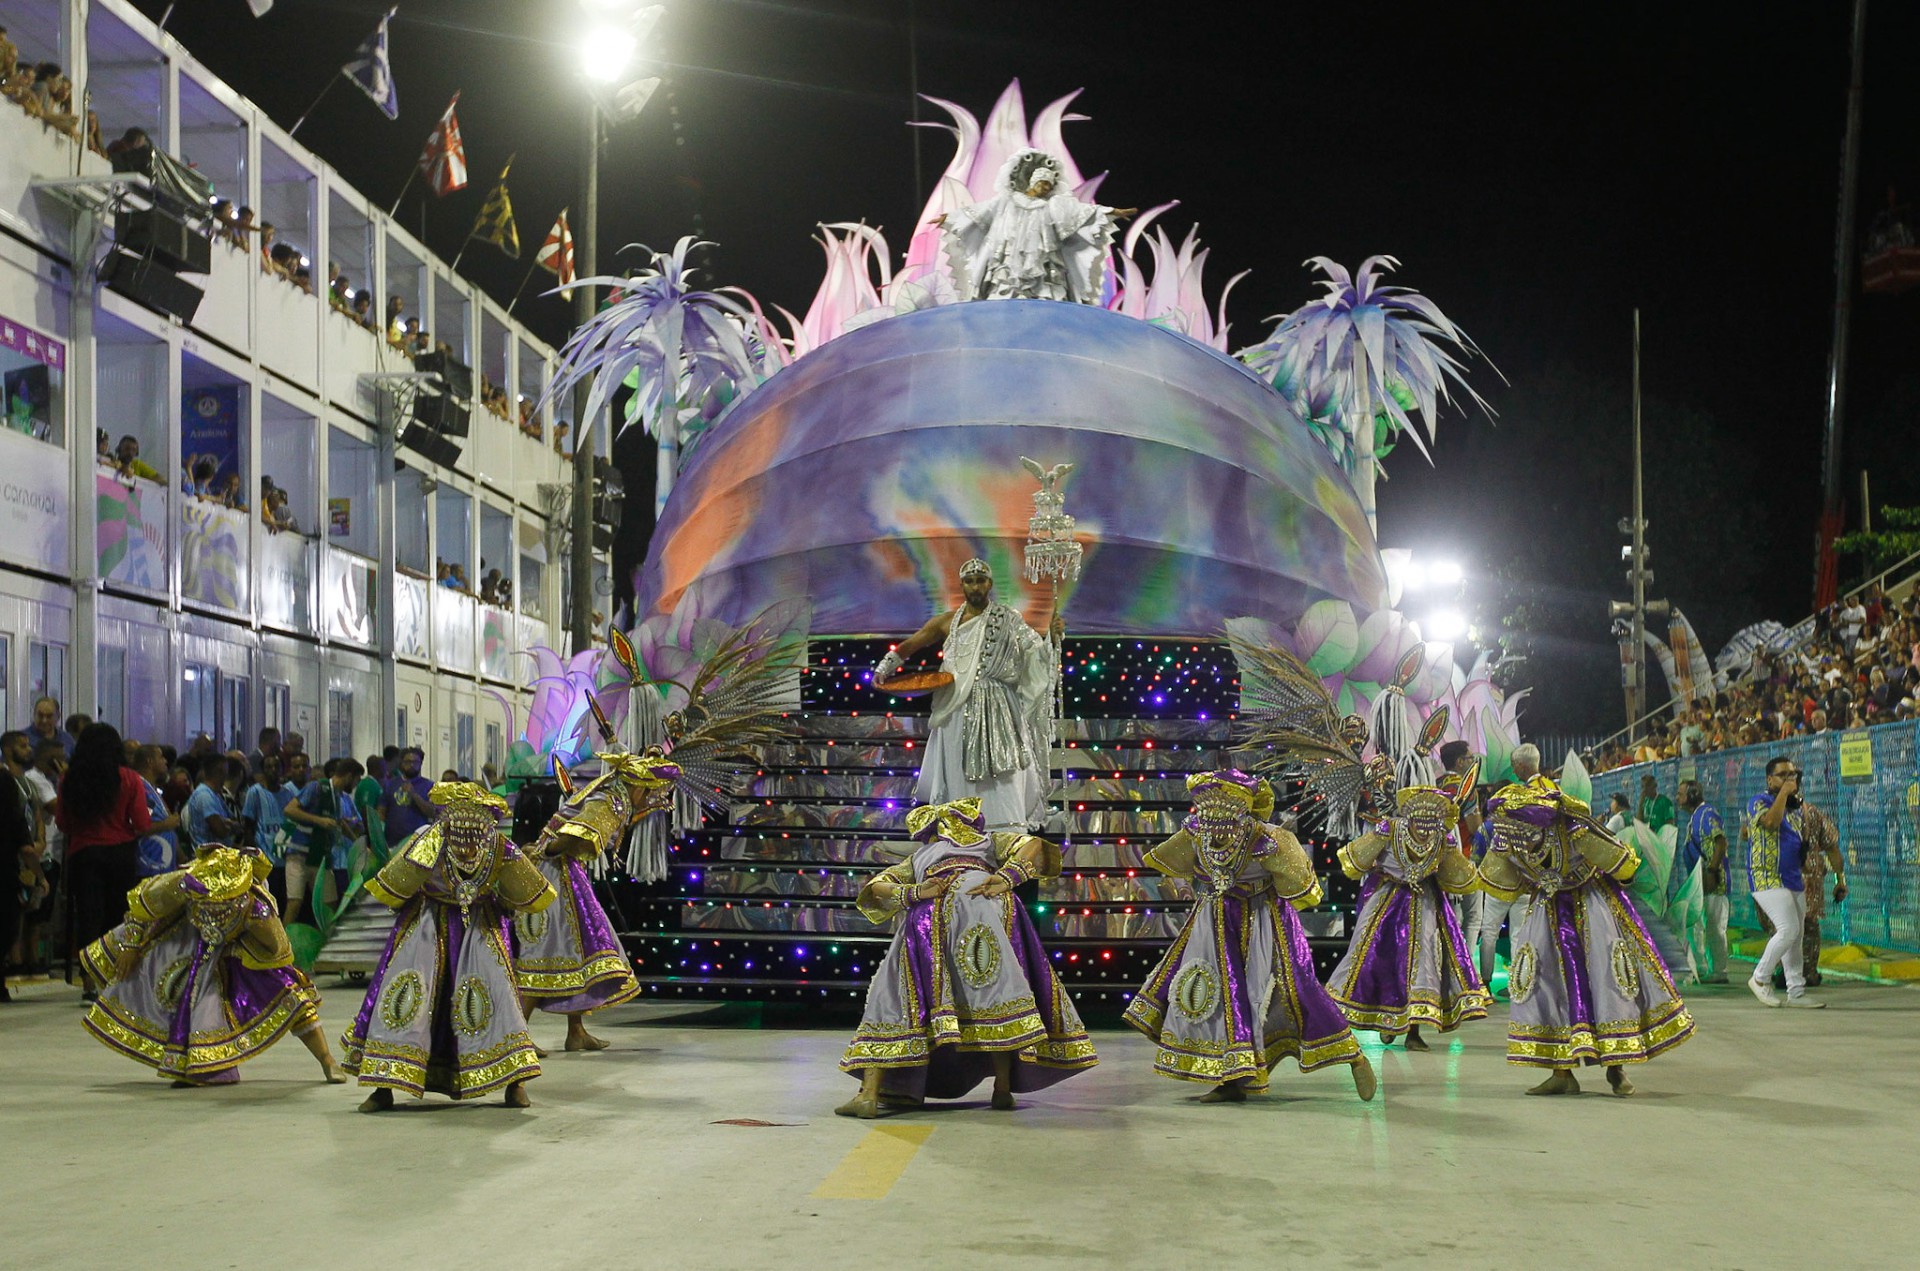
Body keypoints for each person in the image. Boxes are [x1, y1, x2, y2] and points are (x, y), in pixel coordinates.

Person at [1124, 772, 1376, 1103]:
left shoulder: (1271, 838)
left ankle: (1353, 1055)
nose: (1216, 821)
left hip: (1265, 921)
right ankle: (1232, 1078)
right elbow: (1177, 862)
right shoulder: (1196, 833)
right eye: (1209, 812)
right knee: (1218, 996)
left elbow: (1299, 887)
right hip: (1214, 920)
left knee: (1295, 990)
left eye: (1225, 812)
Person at [837, 798, 1095, 1118]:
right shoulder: (989, 841)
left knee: (895, 994)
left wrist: (914, 893)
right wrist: (1009, 877)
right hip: (987, 901)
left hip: (930, 911)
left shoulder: (921, 856)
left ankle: (869, 1094)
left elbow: (877, 887)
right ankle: (1001, 1088)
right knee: (997, 991)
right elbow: (1031, 845)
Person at [1476, 744, 1695, 1096]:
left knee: (1600, 979)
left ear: (1519, 770)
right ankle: (1566, 1072)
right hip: (1556, 907)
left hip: (1584, 906)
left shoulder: (1559, 811)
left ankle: (1612, 1068)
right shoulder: (1524, 814)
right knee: (1549, 984)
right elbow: (1506, 871)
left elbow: (1608, 857)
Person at [342, 782, 555, 1112]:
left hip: (478, 929)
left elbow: (527, 893)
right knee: (408, 1001)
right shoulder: (434, 841)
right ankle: (384, 1085)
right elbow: (398, 884)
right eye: (459, 829)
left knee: (499, 1000)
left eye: (473, 830)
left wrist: (505, 904)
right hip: (429, 927)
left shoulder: (497, 847)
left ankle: (515, 1082)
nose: (467, 840)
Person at [79, 844, 346, 1085]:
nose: (213, 910)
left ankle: (327, 1060)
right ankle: (201, 1066)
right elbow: (143, 905)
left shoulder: (258, 911)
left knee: (289, 991)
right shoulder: (185, 882)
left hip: (244, 950)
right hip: (191, 944)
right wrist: (132, 945)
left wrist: (245, 933)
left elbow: (278, 951)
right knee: (192, 1000)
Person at [873, 558, 1060, 832]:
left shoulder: (1008, 619)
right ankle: (961, 829)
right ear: (962, 585)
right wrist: (885, 667)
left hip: (999, 704)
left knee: (1005, 766)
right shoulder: (947, 621)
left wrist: (1052, 639)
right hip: (956, 706)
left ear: (990, 584)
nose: (975, 586)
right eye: (970, 581)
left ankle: (1006, 829)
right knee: (958, 765)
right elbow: (912, 644)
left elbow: (1035, 653)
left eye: (980, 580)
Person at [514, 759, 677, 1051]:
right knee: (547, 953)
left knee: (578, 950)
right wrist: (545, 851)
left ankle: (576, 1031)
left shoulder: (604, 792)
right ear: (636, 787)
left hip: (565, 871)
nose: (649, 797)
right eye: (648, 791)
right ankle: (518, 1038)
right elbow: (574, 833)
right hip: (557, 873)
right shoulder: (611, 802)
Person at [1327, 777, 1490, 1052]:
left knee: (1422, 964)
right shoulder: (1389, 829)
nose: (1425, 821)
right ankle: (1388, 1020)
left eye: (1431, 814)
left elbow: (1456, 876)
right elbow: (1357, 860)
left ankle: (1412, 1029)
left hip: (1425, 903)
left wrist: (1457, 859)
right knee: (1380, 960)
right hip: (1387, 904)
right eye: (1420, 813)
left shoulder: (1442, 835)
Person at [935, 147, 1136, 303]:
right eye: (1041, 184)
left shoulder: (1050, 206)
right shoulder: (1008, 201)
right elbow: (980, 213)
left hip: (1042, 258)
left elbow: (1080, 212)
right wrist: (950, 218)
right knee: (1005, 284)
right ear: (1033, 182)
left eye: (1048, 186)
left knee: (1046, 282)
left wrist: (1112, 212)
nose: (1044, 188)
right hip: (1010, 257)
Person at [56, 723, 153, 990]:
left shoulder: (70, 779)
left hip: (84, 854)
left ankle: (88, 979)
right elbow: (143, 823)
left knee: (89, 915)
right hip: (121, 854)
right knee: (117, 916)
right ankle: (114, 977)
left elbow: (63, 822)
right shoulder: (130, 779)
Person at [1744, 757, 1841, 1008]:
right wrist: (1785, 793)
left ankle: (1796, 992)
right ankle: (1760, 977)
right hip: (1766, 876)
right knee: (1788, 929)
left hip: (1792, 878)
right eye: (1783, 775)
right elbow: (1770, 823)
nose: (1790, 778)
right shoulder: (1759, 802)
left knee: (1796, 937)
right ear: (1769, 780)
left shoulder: (1796, 810)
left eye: (1793, 774)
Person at [281, 758, 362, 926]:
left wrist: (358, 844)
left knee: (330, 905)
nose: (356, 785)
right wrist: (318, 820)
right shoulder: (316, 787)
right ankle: (281, 948)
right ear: (349, 776)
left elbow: (339, 823)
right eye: (356, 780)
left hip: (321, 857)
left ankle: (330, 944)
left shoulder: (337, 795)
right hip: (299, 854)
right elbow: (289, 810)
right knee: (294, 903)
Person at [1679, 780, 1731, 984]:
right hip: (1701, 881)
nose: (1678, 798)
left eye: (1681, 794)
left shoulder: (1706, 814)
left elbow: (1720, 842)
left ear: (1692, 795)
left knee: (1715, 927)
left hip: (1714, 881)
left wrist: (1712, 870)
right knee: (1698, 926)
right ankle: (1704, 967)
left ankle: (1720, 970)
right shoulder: (1696, 817)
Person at [1795, 798, 1846, 987]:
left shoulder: (1770, 810)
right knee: (1809, 923)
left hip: (1785, 874)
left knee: (1786, 925)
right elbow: (1832, 847)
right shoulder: (1812, 812)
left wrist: (1840, 881)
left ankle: (1787, 970)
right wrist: (1839, 880)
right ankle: (1806, 971)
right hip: (1810, 874)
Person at [0, 758, 28, 1002]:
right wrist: (39, 876)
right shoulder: (13, 816)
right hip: (6, 875)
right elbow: (27, 849)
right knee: (5, 927)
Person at [132, 744, 182, 879]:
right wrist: (165, 825)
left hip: (162, 869)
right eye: (161, 757)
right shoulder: (141, 789)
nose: (165, 761)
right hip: (149, 870)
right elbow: (137, 827)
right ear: (150, 761)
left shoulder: (151, 789)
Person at [383, 746, 435, 846]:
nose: (411, 765)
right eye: (407, 762)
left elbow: (432, 812)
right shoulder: (391, 784)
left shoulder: (429, 785)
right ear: (401, 763)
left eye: (415, 762)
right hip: (392, 842)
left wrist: (414, 795)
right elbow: (382, 809)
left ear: (421, 764)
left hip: (418, 841)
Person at [183, 756, 235, 852]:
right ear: (220, 772)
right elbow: (220, 830)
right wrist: (229, 826)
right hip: (208, 860)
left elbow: (232, 820)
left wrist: (228, 824)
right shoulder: (204, 796)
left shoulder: (215, 795)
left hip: (219, 857)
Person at [353, 756, 390, 867]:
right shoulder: (369, 785)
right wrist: (372, 837)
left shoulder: (376, 784)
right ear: (378, 768)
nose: (386, 770)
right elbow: (366, 810)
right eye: (384, 767)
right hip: (367, 835)